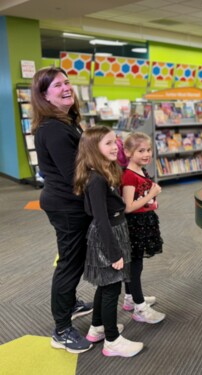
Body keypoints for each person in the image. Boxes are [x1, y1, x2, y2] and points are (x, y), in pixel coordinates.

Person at [31, 67, 94, 353]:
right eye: (57, 85)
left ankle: (70, 304)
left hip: (71, 201)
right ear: (44, 95)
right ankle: (62, 329)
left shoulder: (67, 121)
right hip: (67, 205)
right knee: (70, 262)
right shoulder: (54, 129)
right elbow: (75, 173)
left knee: (74, 259)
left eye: (67, 82)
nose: (66, 87)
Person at [74, 126, 144, 357]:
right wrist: (114, 254)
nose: (115, 146)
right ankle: (112, 341)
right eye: (108, 143)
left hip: (114, 230)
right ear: (94, 149)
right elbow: (100, 219)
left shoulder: (103, 171)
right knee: (112, 287)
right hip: (108, 237)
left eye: (116, 141)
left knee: (105, 285)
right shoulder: (96, 179)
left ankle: (97, 328)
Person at [120, 132, 166, 324]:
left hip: (145, 222)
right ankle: (140, 308)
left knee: (136, 263)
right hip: (135, 226)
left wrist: (150, 199)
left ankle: (131, 298)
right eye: (141, 150)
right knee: (134, 266)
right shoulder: (129, 176)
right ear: (128, 152)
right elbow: (128, 206)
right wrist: (152, 194)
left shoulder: (140, 170)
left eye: (148, 150)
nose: (147, 154)